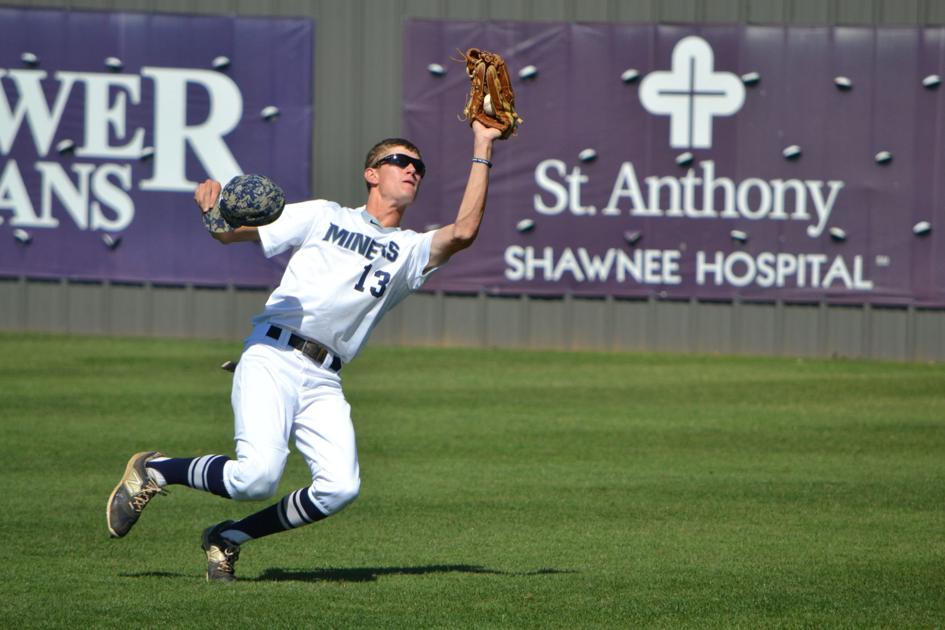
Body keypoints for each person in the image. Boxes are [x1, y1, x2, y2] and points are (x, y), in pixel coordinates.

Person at [107, 121, 503, 582]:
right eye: (400, 161)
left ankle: (227, 538)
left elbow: (465, 231)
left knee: (340, 488)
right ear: (371, 174)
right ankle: (156, 470)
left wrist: (483, 144)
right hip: (273, 354)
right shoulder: (325, 215)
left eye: (419, 166)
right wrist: (213, 211)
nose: (412, 170)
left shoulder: (409, 250)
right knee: (256, 478)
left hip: (324, 377)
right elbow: (231, 234)